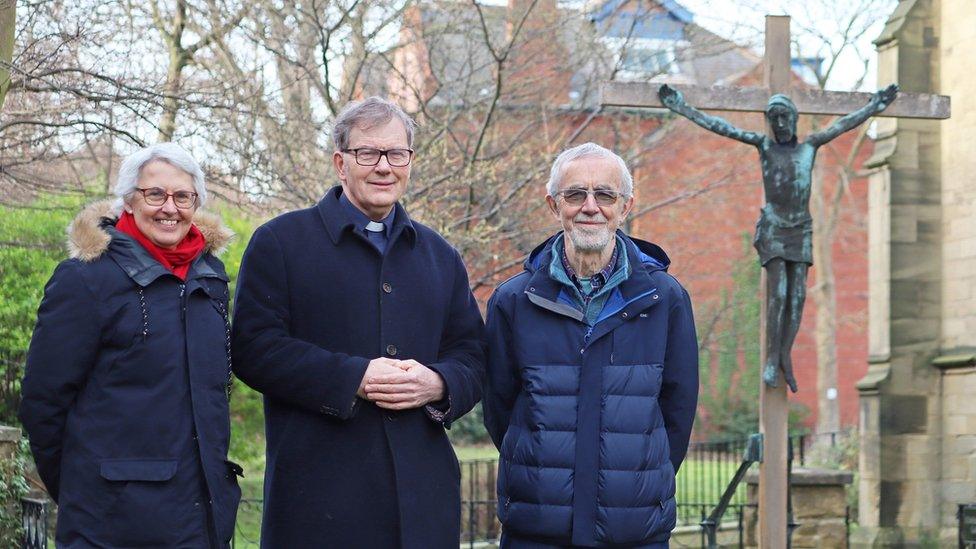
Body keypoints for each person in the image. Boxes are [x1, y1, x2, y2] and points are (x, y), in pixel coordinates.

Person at [231, 96, 485, 548]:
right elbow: (253, 349)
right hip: (318, 502)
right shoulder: (280, 242)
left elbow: (473, 356)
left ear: (409, 161)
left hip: (421, 505)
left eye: (396, 154)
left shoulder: (440, 255)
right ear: (340, 162)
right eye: (368, 153)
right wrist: (355, 377)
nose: (384, 166)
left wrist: (439, 384)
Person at [19, 143, 241, 547]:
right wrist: (83, 490)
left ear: (196, 203)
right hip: (110, 524)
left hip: (200, 519)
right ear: (129, 200)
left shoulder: (211, 278)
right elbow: (42, 403)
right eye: (154, 194)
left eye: (182, 196)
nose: (169, 208)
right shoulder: (86, 280)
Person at [483, 142, 699, 548]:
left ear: (626, 206)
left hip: (635, 531)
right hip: (536, 530)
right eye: (575, 194)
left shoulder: (664, 298)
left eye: (605, 194)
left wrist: (635, 484)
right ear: (553, 205)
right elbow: (500, 409)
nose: (590, 206)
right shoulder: (513, 300)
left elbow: (678, 408)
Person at [658, 83, 898, 392]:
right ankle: (772, 358)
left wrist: (873, 107)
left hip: (801, 227)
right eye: (774, 118)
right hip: (773, 226)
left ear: (795, 119)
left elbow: (842, 124)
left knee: (797, 298)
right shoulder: (764, 146)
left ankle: (785, 353)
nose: (780, 124)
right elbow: (722, 127)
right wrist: (682, 107)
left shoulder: (810, 146)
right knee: (779, 294)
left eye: (784, 117)